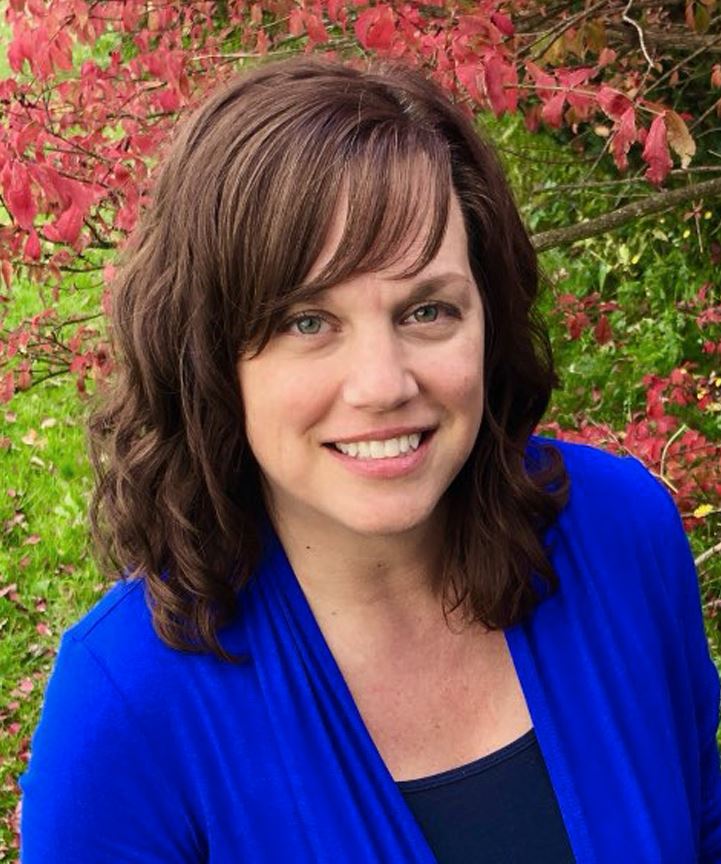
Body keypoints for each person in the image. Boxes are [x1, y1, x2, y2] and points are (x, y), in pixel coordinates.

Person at [19, 55, 721, 863]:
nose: (383, 385)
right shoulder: (127, 710)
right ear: (209, 356)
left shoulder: (618, 536)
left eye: (427, 309)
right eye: (306, 322)